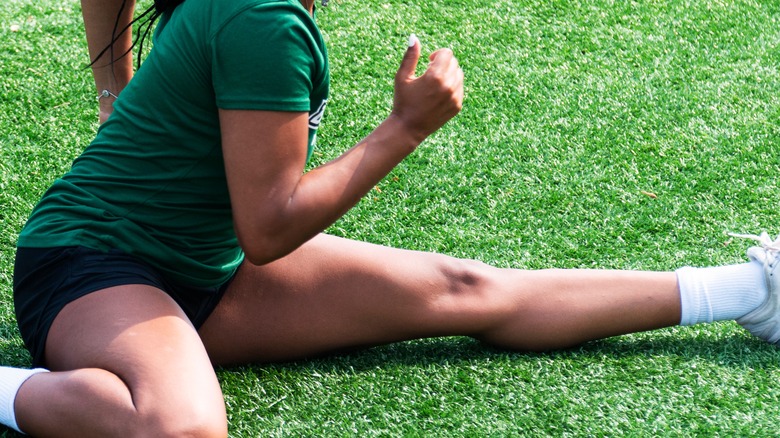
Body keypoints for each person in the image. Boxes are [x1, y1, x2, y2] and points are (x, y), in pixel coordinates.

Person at [2, 0, 779, 435]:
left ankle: (748, 291)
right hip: (88, 263)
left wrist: (116, 93)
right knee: (179, 428)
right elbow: (269, 229)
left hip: (206, 272)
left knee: (469, 289)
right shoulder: (261, 18)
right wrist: (403, 128)